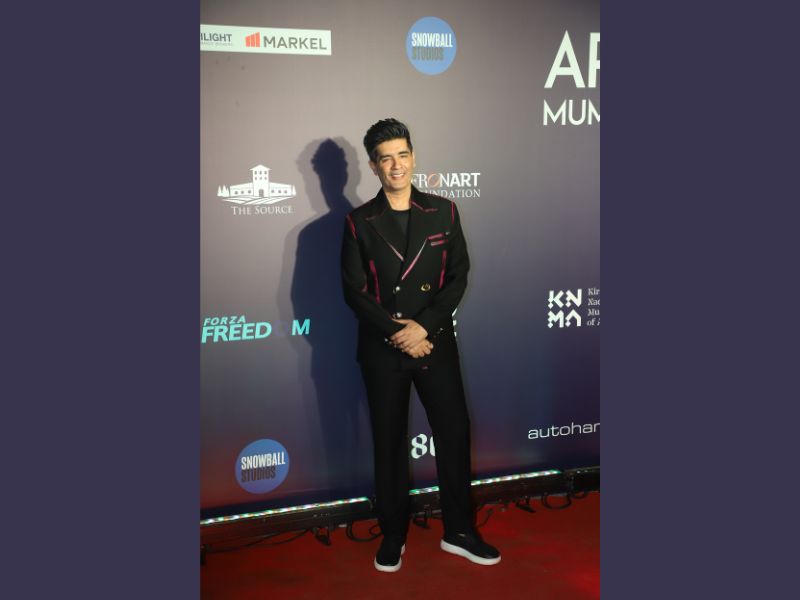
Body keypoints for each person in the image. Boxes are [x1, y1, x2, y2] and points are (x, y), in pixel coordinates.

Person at [341, 118, 500, 572]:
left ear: (413, 157)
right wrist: (399, 333)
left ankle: (460, 531)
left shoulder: (444, 211)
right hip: (383, 349)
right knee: (389, 442)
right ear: (373, 166)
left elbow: (458, 276)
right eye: (386, 158)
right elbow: (354, 291)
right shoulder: (359, 222)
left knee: (454, 435)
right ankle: (393, 534)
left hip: (435, 344)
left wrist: (424, 328)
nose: (396, 165)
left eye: (403, 155)